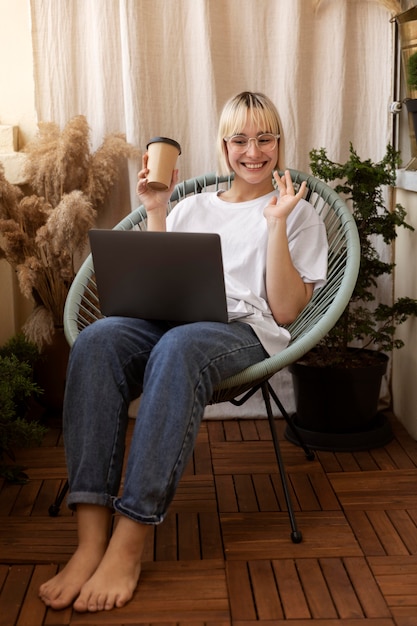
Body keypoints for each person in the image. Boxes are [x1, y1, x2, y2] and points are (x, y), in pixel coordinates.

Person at [39, 91, 328, 613]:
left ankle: (129, 541)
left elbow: (285, 311)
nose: (253, 151)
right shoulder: (192, 205)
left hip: (239, 330)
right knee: (101, 339)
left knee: (177, 347)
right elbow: (158, 280)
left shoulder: (297, 210)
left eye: (265, 138)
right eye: (240, 140)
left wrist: (278, 223)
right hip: (171, 317)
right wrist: (155, 210)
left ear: (279, 142)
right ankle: (89, 542)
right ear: (223, 146)